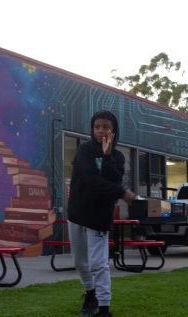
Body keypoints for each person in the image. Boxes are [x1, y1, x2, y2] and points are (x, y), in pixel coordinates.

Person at [67, 110, 135, 317]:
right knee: (80, 262)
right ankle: (90, 294)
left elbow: (113, 178)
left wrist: (106, 156)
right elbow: (91, 180)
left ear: (113, 130)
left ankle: (104, 307)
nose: (101, 131)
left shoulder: (117, 156)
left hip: (99, 216)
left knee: (98, 263)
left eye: (105, 127)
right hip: (77, 212)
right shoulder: (84, 151)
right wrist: (122, 193)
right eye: (97, 127)